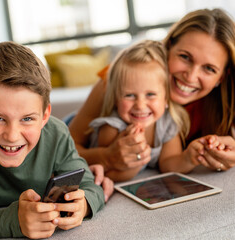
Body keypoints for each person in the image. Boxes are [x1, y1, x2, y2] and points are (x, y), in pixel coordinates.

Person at [0, 41, 112, 239]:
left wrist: (83, 206)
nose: (12, 135)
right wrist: (15, 221)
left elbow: (92, 188)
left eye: (27, 119)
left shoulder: (56, 133)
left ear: (45, 116)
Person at [69, 8, 235, 174]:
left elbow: (170, 162)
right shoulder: (123, 78)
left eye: (209, 69)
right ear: (168, 47)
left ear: (221, 77)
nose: (191, 77)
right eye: (184, 57)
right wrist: (106, 156)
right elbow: (65, 149)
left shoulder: (222, 100)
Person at [88, 40, 189, 182]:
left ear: (166, 98)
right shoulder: (111, 128)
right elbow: (109, 174)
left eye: (151, 95)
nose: (140, 106)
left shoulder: (167, 123)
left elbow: (168, 164)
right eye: (129, 95)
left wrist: (190, 157)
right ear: (116, 99)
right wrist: (137, 162)